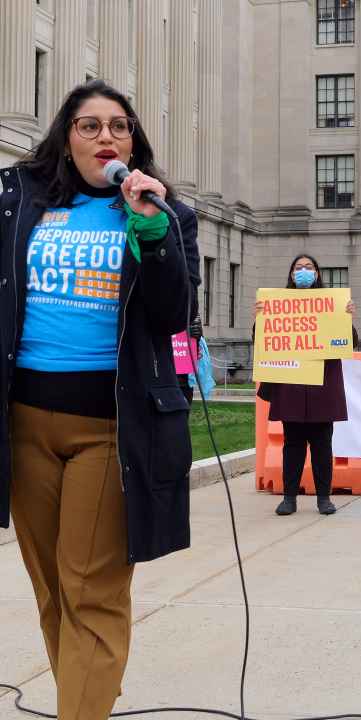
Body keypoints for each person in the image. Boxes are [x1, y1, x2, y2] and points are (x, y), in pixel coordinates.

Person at [0, 80, 200, 719]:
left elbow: (174, 313)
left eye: (118, 126)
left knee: (92, 589)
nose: (105, 137)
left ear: (134, 141)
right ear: (66, 137)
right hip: (24, 423)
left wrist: (152, 231)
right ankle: (84, 698)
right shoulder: (16, 202)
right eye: (89, 126)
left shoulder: (162, 214)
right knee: (53, 590)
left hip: (110, 427)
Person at [254, 254, 356, 516]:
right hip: (292, 383)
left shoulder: (333, 304)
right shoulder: (278, 304)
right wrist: (261, 320)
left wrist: (347, 319)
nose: (303, 272)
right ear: (290, 275)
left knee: (323, 443)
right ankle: (289, 497)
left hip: (323, 383)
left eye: (309, 268)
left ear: (318, 274)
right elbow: (263, 340)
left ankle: (324, 498)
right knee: (293, 443)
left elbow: (350, 342)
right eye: (298, 268)